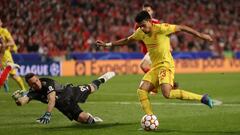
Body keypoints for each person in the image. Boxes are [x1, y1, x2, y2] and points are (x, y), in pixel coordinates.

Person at [96, 11, 214, 116]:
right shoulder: (140, 32)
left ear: (149, 21)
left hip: (166, 65)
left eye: (143, 25)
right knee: (141, 90)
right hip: (155, 67)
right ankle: (150, 117)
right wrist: (107, 44)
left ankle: (202, 98)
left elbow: (181, 27)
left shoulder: (162, 29)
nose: (142, 28)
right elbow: (127, 40)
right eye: (140, 26)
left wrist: (201, 35)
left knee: (166, 94)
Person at [12, 71, 116, 124]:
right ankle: (93, 119)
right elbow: (23, 101)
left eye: (36, 81)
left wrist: (48, 114)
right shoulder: (33, 92)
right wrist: (17, 100)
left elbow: (52, 99)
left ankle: (102, 79)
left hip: (70, 92)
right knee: (83, 119)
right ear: (30, 85)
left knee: (92, 88)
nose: (36, 84)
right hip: (64, 105)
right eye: (33, 84)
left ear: (38, 79)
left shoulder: (47, 82)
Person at [0, 19, 26, 91]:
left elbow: (12, 43)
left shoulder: (4, 31)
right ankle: (4, 80)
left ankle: (23, 89)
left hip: (5, 54)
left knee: (13, 74)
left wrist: (3, 45)